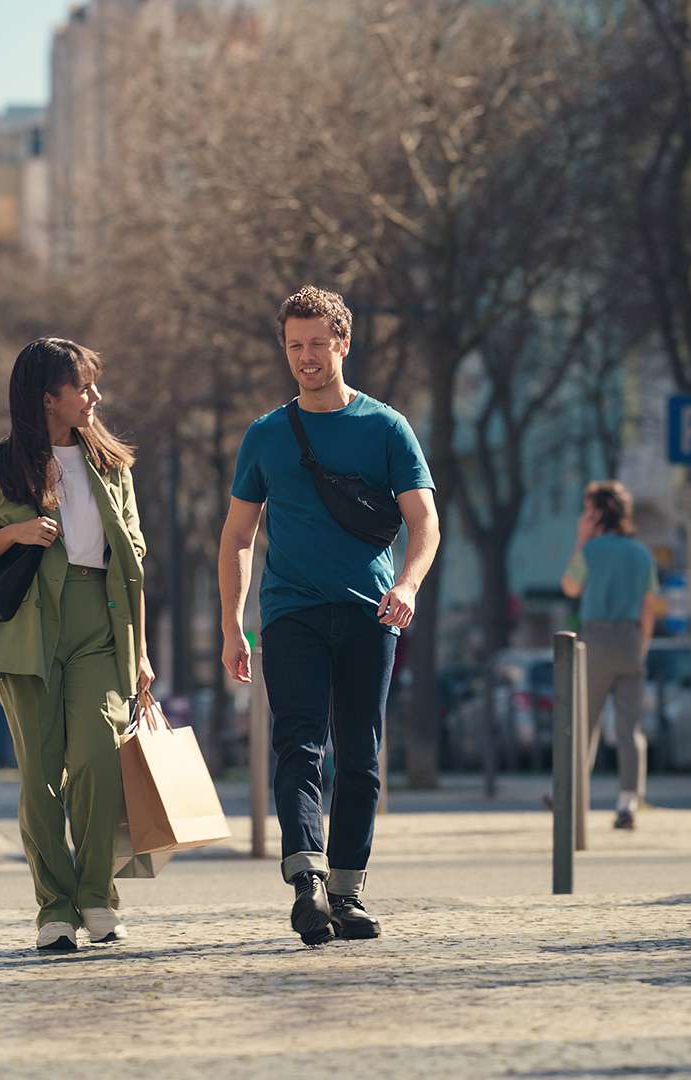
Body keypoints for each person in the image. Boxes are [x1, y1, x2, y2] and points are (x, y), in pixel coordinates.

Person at [219, 285, 440, 946]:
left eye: (318, 343)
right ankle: (307, 882)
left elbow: (425, 521)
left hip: (372, 613)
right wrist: (233, 624)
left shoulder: (386, 428)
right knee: (300, 745)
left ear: (344, 342)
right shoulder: (266, 435)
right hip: (291, 614)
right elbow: (237, 536)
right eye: (295, 346)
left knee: (361, 756)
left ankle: (346, 892)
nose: (306, 357)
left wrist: (408, 585)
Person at [0, 338, 152, 952]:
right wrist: (14, 533)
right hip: (27, 629)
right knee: (41, 778)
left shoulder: (112, 465)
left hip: (100, 625)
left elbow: (133, 560)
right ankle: (55, 909)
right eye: (83, 386)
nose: (95, 397)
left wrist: (140, 651)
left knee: (97, 761)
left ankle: (97, 897)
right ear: (47, 398)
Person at [560, 480, 662, 831]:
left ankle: (571, 796)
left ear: (598, 513)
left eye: (588, 509)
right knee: (629, 727)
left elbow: (570, 586)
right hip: (631, 639)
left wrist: (581, 538)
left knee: (583, 723)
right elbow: (649, 608)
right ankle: (628, 801)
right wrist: (641, 646)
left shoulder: (592, 550)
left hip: (597, 639)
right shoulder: (642, 553)